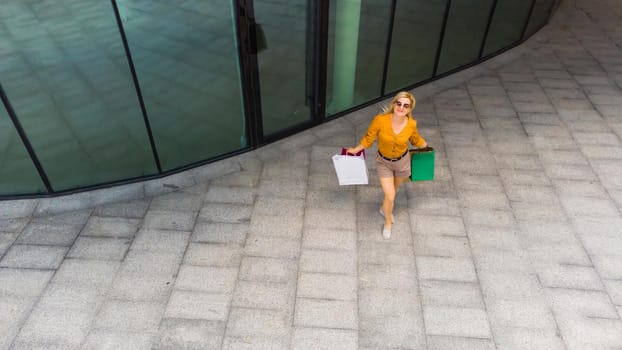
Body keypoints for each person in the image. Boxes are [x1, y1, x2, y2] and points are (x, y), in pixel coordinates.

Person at [346, 91, 427, 239]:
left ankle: (385, 209)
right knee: (390, 195)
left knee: (393, 193)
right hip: (384, 163)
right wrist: (355, 150)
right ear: (394, 103)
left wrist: (424, 146)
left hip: (402, 163)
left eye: (406, 106)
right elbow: (368, 138)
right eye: (399, 103)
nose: (401, 107)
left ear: (410, 109)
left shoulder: (411, 124)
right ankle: (388, 222)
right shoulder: (380, 120)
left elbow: (415, 139)